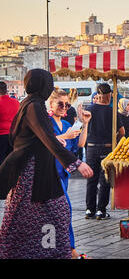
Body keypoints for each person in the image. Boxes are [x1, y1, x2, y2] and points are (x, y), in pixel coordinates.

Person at [0, 69, 93, 259]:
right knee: (43, 215)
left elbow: (40, 138)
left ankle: (47, 252)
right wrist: (75, 163)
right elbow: (47, 137)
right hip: (32, 174)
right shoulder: (34, 106)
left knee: (34, 217)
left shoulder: (30, 104)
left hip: (36, 171)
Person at [48, 87, 92, 259]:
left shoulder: (66, 124)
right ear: (50, 103)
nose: (64, 108)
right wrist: (65, 136)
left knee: (59, 213)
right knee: (65, 210)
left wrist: (85, 123)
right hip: (50, 174)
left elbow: (80, 144)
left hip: (63, 175)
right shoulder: (46, 123)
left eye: (66, 105)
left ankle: (60, 249)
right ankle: (70, 250)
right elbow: (48, 143)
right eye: (60, 104)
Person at [85, 83, 125, 220]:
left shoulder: (89, 108)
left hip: (90, 147)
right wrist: (115, 140)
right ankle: (100, 210)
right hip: (107, 147)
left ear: (98, 94)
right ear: (109, 95)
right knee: (104, 179)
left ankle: (89, 209)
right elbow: (122, 132)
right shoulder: (112, 111)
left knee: (91, 179)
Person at [0, 81, 19, 165]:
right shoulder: (16, 102)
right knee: (11, 159)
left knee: (1, 160)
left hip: (1, 135)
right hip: (13, 135)